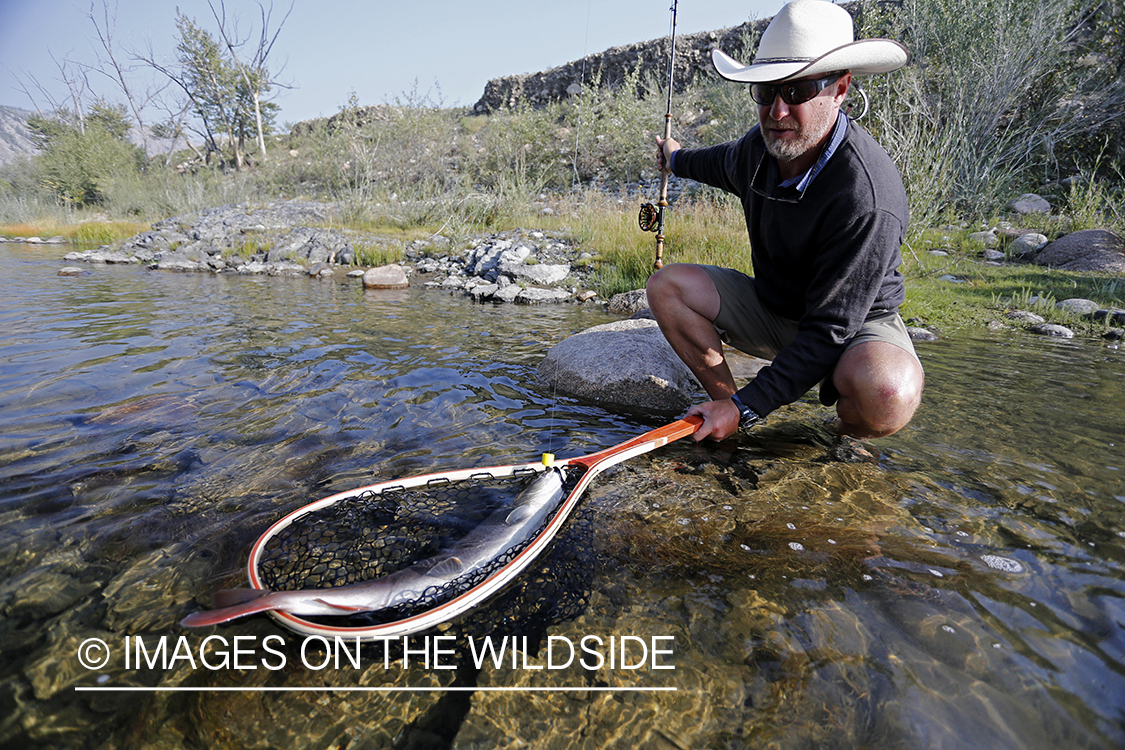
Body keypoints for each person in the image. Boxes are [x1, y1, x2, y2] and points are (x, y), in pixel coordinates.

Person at [648, 0, 924, 444]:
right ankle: (726, 408)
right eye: (766, 91)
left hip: (852, 327)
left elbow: (832, 328)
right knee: (667, 286)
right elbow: (713, 163)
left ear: (840, 89)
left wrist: (751, 407)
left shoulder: (867, 195)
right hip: (775, 310)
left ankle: (848, 440)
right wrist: (675, 159)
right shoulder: (755, 151)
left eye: (797, 92)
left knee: (888, 392)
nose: (777, 112)